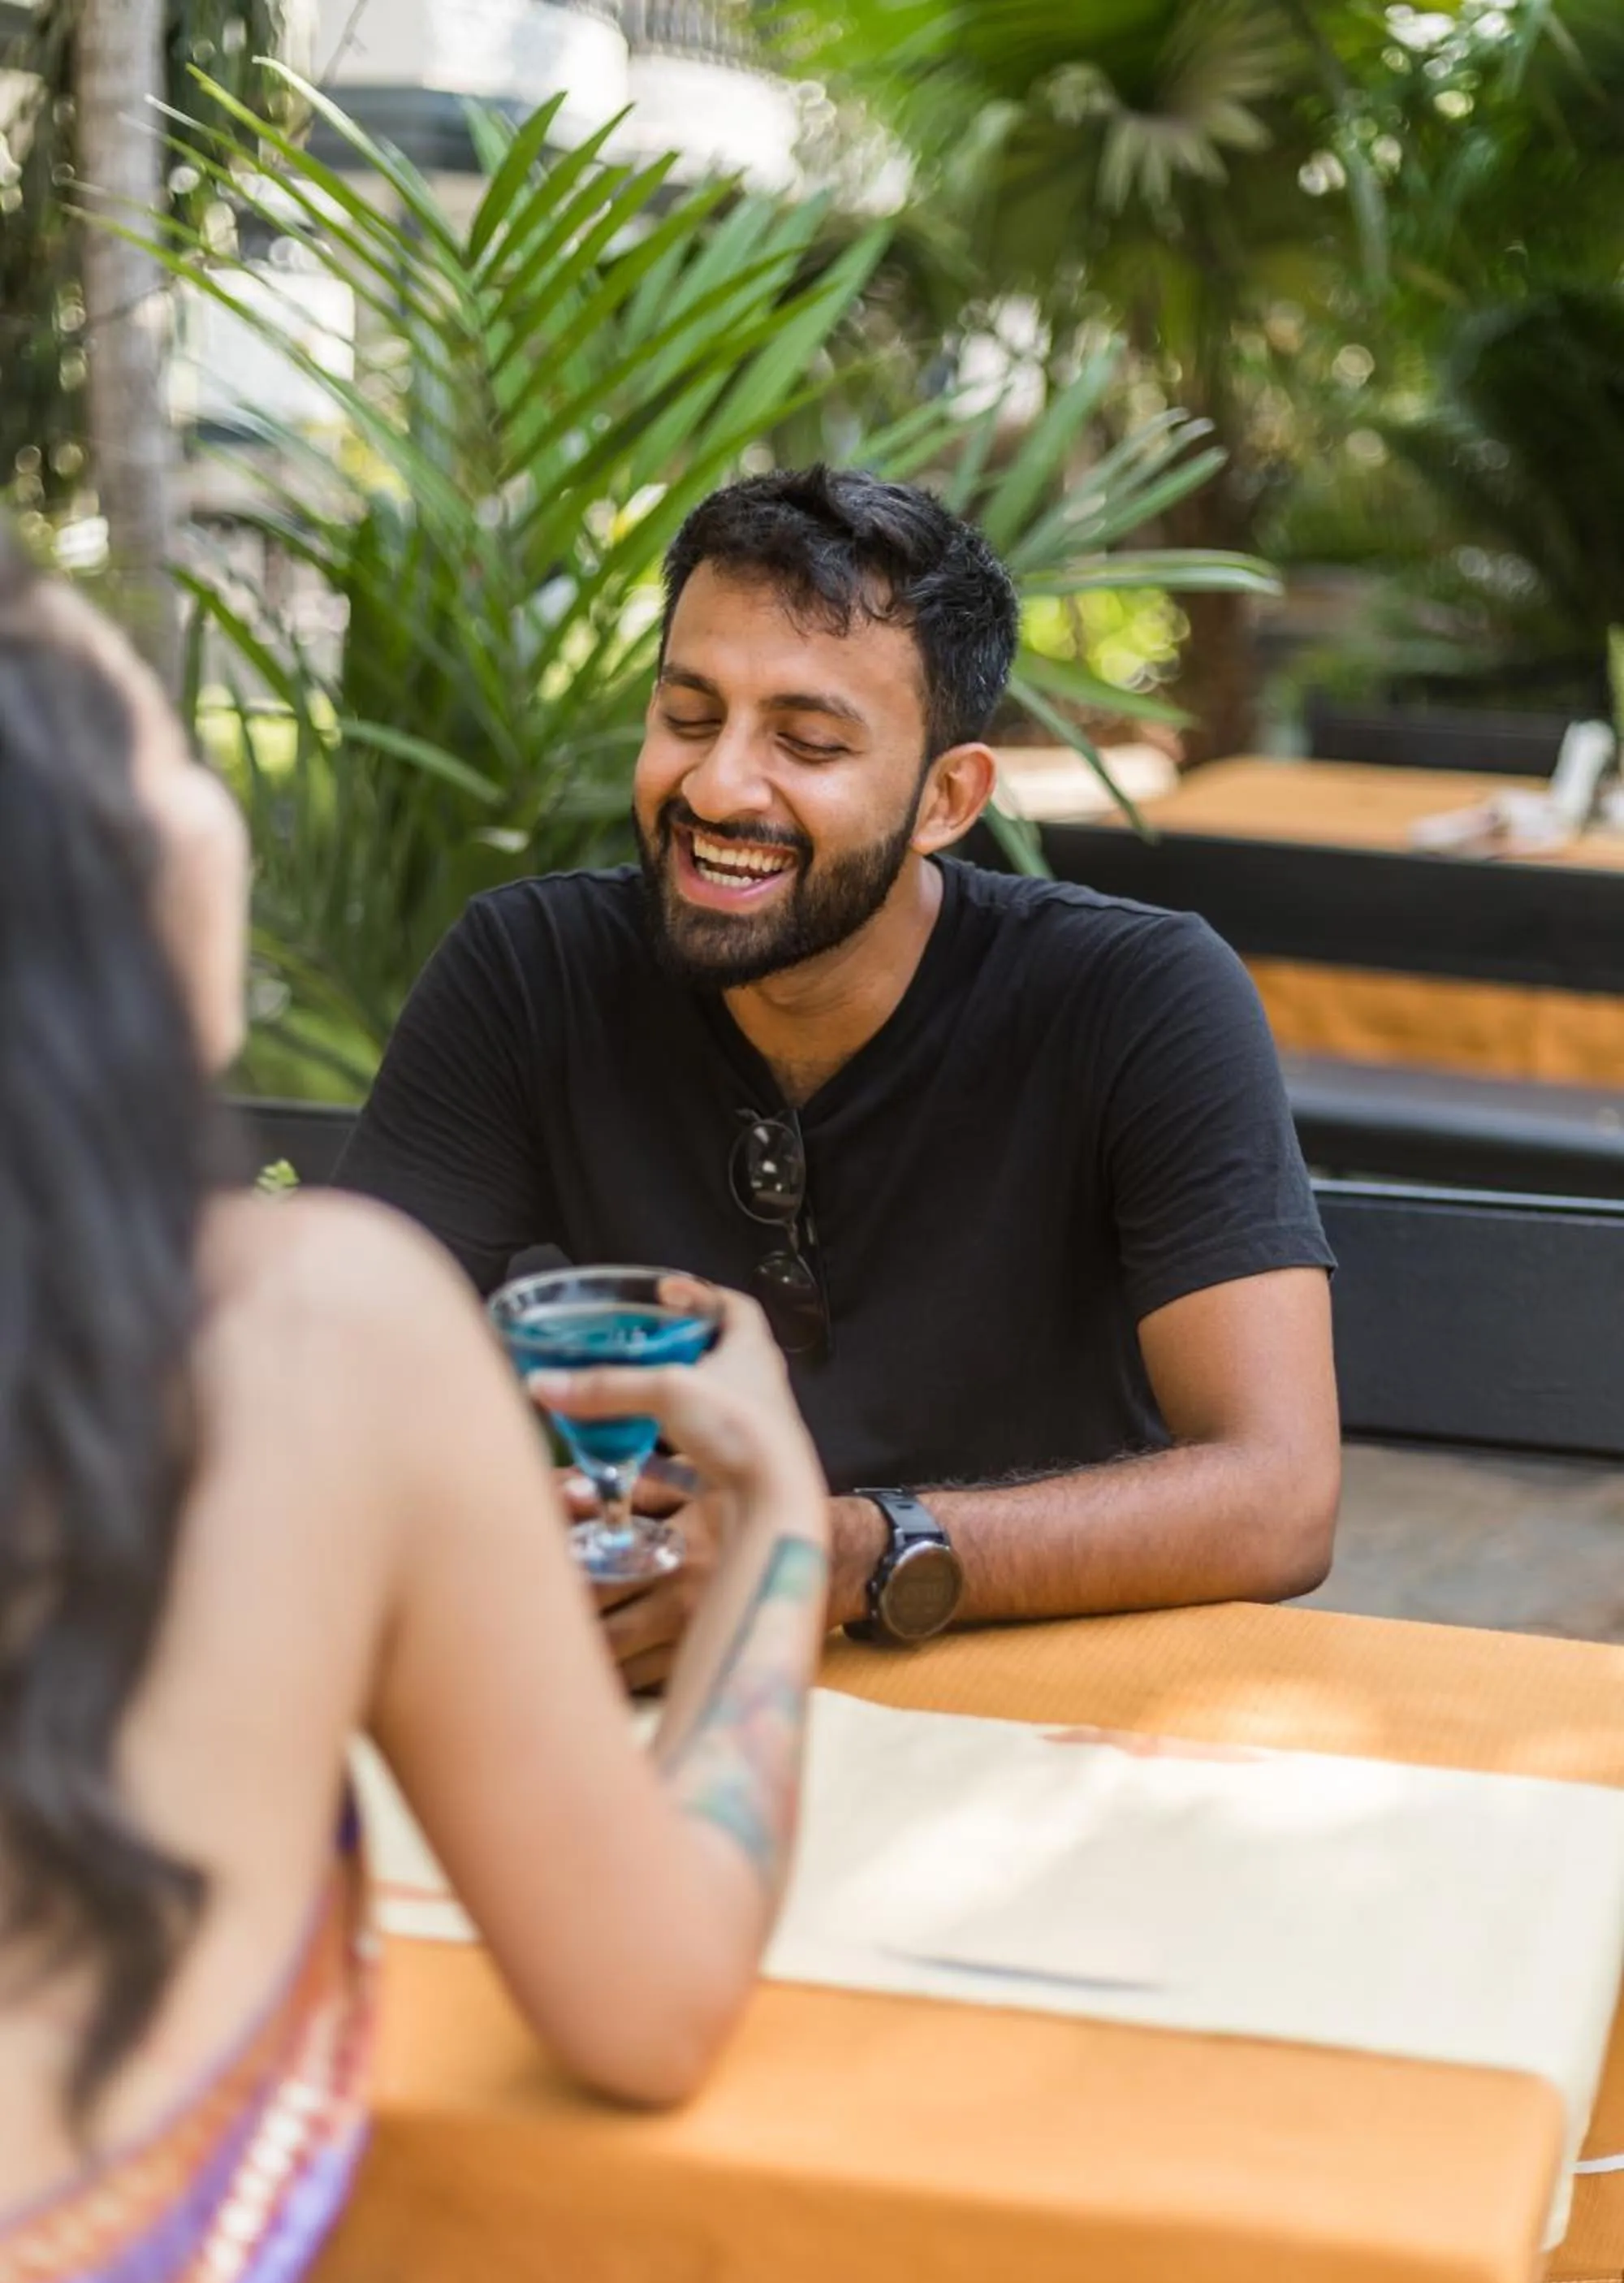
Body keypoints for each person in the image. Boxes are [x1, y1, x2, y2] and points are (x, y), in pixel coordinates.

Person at [0, 540, 830, 2283]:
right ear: (97, 893)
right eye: (165, 748)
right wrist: (777, 1510)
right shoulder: (311, 1335)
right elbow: (648, 2003)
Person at [339, 465, 1341, 1683]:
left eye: (807, 742)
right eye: (688, 717)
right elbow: (337, 1383)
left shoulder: (1138, 997)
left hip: (1064, 1702)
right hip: (674, 1699)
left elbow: (1280, 1496)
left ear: (947, 798)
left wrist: (839, 1555)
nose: (716, 786)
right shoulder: (527, 970)